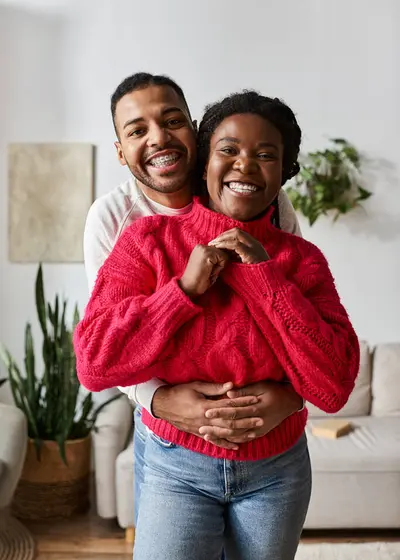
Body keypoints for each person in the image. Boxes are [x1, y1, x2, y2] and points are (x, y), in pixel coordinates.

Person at [75, 90, 360, 559]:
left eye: (265, 155)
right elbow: (94, 364)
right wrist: (182, 291)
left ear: (284, 172)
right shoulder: (144, 238)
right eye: (228, 150)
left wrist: (265, 278)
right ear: (203, 162)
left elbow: (333, 386)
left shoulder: (301, 260)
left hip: (277, 469)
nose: (245, 165)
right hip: (176, 466)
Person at [84, 73, 304, 525]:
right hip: (172, 441)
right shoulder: (115, 219)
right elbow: (108, 347)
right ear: (120, 152)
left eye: (172, 121)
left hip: (270, 446)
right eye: (137, 130)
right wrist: (160, 402)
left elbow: (296, 310)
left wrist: (292, 395)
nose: (159, 138)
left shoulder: (259, 197)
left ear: (196, 129)